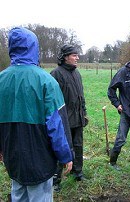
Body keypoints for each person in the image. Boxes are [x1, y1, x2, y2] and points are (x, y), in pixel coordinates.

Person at [0, 27, 73, 201]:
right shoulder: (47, 81)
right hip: (40, 160)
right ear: (34, 48)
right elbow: (56, 126)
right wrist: (65, 156)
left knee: (18, 194)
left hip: (13, 158)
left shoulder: (1, 80)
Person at [50, 44, 88, 187]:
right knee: (61, 148)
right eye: (74, 55)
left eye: (77, 55)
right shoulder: (56, 74)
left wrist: (83, 113)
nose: (77, 57)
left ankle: (78, 173)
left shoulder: (77, 73)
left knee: (78, 146)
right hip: (63, 120)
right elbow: (52, 100)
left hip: (78, 118)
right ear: (66, 57)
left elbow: (81, 96)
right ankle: (56, 180)